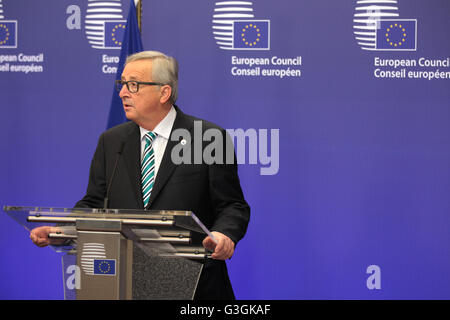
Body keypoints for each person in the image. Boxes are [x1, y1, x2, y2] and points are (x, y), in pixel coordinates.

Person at [30, 50, 250, 299]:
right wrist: (62, 230)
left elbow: (232, 205)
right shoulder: (112, 142)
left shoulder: (207, 138)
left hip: (196, 284)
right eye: (122, 84)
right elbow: (94, 202)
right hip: (128, 282)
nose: (123, 92)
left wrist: (224, 234)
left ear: (164, 92)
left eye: (133, 85)